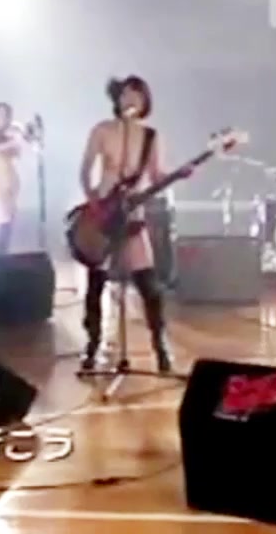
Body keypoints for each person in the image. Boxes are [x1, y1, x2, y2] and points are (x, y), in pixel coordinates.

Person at [77, 76, 185, 373]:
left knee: (149, 284)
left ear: (145, 101)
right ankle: (92, 344)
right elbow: (85, 170)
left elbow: (157, 173)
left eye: (137, 95)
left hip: (133, 214)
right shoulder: (102, 130)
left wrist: (177, 174)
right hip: (103, 212)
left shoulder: (151, 136)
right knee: (96, 282)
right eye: (126, 94)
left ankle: (160, 345)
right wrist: (92, 200)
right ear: (117, 99)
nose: (131, 100)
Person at [0, 102, 30, 254]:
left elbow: (19, 152)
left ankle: (5, 253)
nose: (3, 118)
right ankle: (0, 255)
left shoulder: (10, 135)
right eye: (0, 114)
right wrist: (15, 140)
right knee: (3, 219)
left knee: (10, 219)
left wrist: (22, 137)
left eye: (6, 115)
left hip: (11, 178)